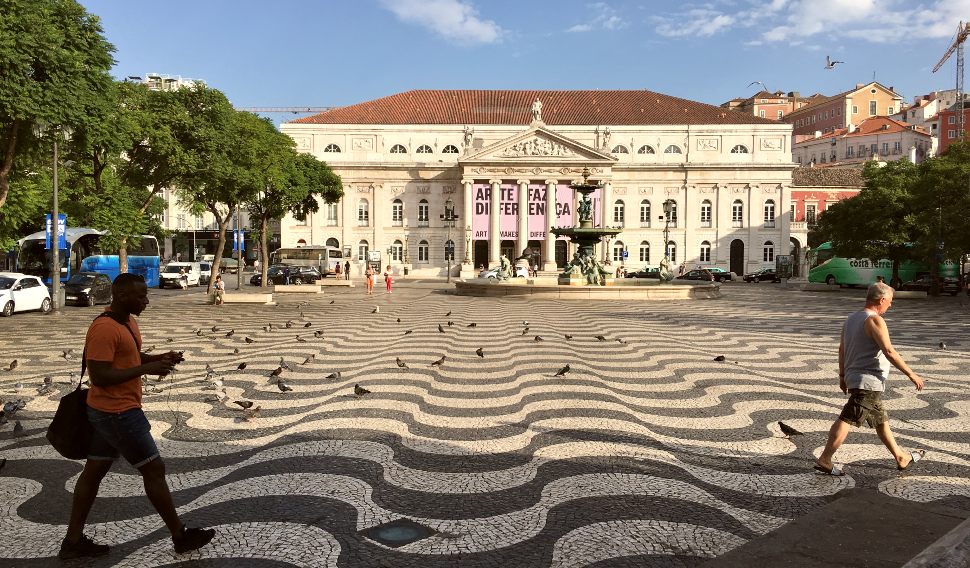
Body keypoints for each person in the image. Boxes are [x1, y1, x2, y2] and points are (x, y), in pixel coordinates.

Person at [59, 274, 215, 560]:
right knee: (153, 470)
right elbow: (100, 376)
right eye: (141, 295)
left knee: (93, 473)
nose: (146, 300)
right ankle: (180, 535)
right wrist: (146, 369)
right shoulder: (104, 329)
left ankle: (72, 541)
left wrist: (157, 358)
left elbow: (129, 356)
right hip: (116, 413)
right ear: (121, 297)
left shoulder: (127, 322)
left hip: (112, 411)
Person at [814, 282, 926, 477]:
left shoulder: (851, 318)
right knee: (847, 418)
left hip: (856, 377)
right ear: (881, 300)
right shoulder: (874, 320)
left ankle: (900, 456)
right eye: (889, 302)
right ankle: (825, 458)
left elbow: (841, 349)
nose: (890, 305)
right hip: (868, 380)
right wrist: (911, 373)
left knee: (880, 420)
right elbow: (889, 351)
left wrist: (842, 375)